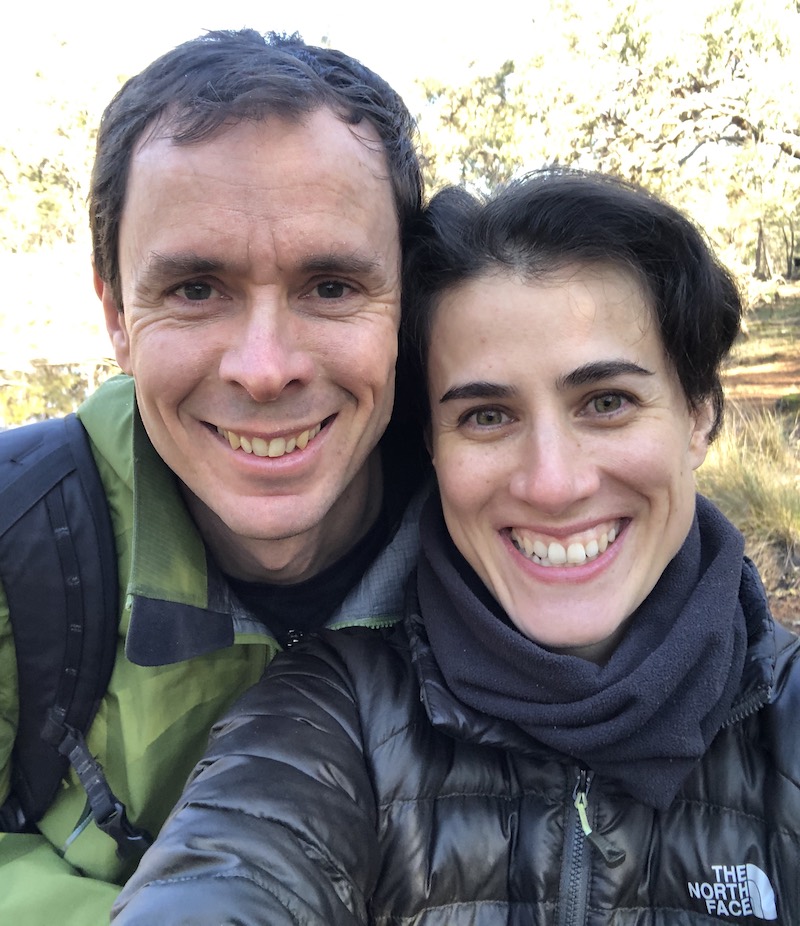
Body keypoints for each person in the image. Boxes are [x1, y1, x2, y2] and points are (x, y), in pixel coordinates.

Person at [113, 170, 799, 925]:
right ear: (431, 448)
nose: (552, 483)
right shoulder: (335, 719)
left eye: (607, 403)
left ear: (700, 415)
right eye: (485, 416)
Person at [0, 28, 426, 924]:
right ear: (117, 315)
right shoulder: (16, 542)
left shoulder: (525, 534)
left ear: (408, 303)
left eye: (332, 286)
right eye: (196, 288)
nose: (264, 368)